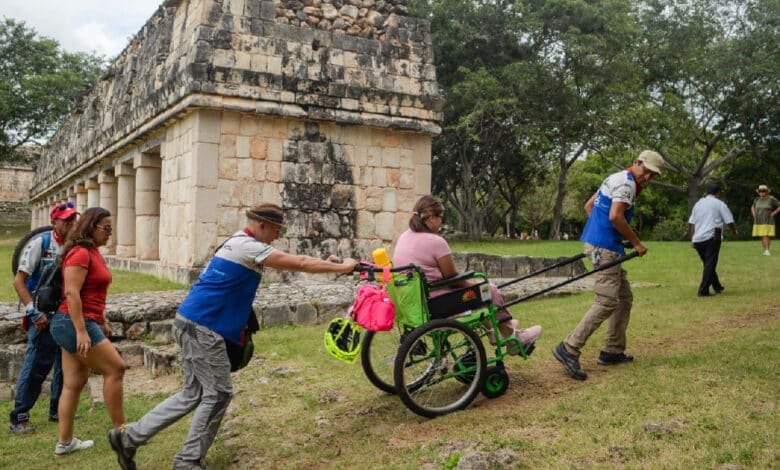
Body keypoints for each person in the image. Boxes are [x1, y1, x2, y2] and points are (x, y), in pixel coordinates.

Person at [109, 203, 357, 470]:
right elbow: (298, 263)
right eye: (276, 230)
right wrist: (343, 268)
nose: (277, 236)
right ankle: (187, 461)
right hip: (204, 327)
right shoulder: (248, 247)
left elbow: (291, 258)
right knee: (218, 394)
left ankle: (129, 437)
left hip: (190, 321)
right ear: (262, 225)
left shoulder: (236, 242)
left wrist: (330, 263)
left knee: (194, 393)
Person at [552, 150, 664, 381]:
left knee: (624, 297)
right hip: (605, 249)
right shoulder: (628, 184)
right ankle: (569, 347)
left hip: (601, 244)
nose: (648, 178)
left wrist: (603, 235)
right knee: (606, 301)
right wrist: (636, 243)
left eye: (653, 175)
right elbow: (615, 216)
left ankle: (613, 350)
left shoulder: (615, 177)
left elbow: (589, 206)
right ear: (636, 163)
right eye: (647, 171)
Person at [391, 195, 542, 351]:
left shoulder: (404, 236)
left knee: (480, 291)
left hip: (417, 304)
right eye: (440, 217)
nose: (441, 222)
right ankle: (512, 337)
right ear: (430, 218)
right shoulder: (435, 242)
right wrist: (475, 285)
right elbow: (453, 280)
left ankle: (499, 326)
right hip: (438, 304)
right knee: (489, 289)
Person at [49, 207, 125, 456]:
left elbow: (93, 294)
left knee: (74, 383)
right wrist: (82, 331)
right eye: (106, 228)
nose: (109, 234)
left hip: (78, 322)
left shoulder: (93, 253)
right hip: (73, 323)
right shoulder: (80, 253)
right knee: (115, 368)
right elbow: (71, 293)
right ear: (91, 226)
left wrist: (101, 321)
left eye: (111, 229)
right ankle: (122, 433)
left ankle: (65, 442)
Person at [9, 201, 78, 435]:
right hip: (42, 317)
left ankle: (58, 410)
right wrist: (33, 311)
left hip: (63, 315)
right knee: (36, 367)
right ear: (54, 222)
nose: (71, 223)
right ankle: (19, 416)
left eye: (73, 219)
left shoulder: (73, 247)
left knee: (64, 366)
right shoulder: (41, 243)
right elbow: (19, 280)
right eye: (66, 220)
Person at [687, 183, 737, 297]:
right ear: (718, 193)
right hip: (712, 237)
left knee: (708, 264)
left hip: (698, 239)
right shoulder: (719, 204)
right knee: (710, 264)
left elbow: (692, 222)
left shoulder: (698, 204)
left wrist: (692, 238)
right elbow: (729, 221)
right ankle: (703, 291)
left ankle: (717, 286)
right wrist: (734, 231)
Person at [751, 184, 779, 256]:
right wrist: (754, 214)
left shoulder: (771, 199)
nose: (762, 192)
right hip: (758, 220)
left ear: (766, 192)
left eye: (763, 191)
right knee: (762, 235)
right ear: (759, 192)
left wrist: (774, 213)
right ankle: (765, 250)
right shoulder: (757, 199)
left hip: (767, 219)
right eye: (760, 191)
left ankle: (767, 250)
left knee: (765, 235)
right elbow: (752, 207)